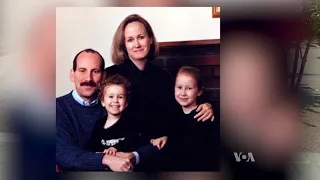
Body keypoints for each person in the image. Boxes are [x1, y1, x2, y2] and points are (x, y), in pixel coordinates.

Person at [105, 15, 215, 167]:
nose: (137, 44)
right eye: (130, 39)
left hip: (158, 148)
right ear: (124, 45)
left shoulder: (163, 77)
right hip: (121, 150)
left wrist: (206, 105)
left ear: (150, 39)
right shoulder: (110, 76)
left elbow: (180, 109)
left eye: (141, 37)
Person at [56, 48, 159, 172]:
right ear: (72, 74)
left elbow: (148, 143)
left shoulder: (115, 104)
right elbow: (64, 154)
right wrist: (106, 159)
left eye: (95, 71)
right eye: (82, 71)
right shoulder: (57, 107)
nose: (88, 78)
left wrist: (134, 156)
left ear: (104, 76)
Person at [84, 74, 157, 172]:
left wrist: (116, 149)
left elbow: (135, 142)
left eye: (120, 97)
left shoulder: (130, 122)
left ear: (126, 103)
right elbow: (91, 146)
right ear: (102, 101)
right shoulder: (99, 123)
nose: (115, 101)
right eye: (110, 96)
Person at [167, 66, 219, 171]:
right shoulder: (172, 114)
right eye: (179, 87)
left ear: (199, 91)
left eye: (189, 88)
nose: (183, 93)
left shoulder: (205, 117)